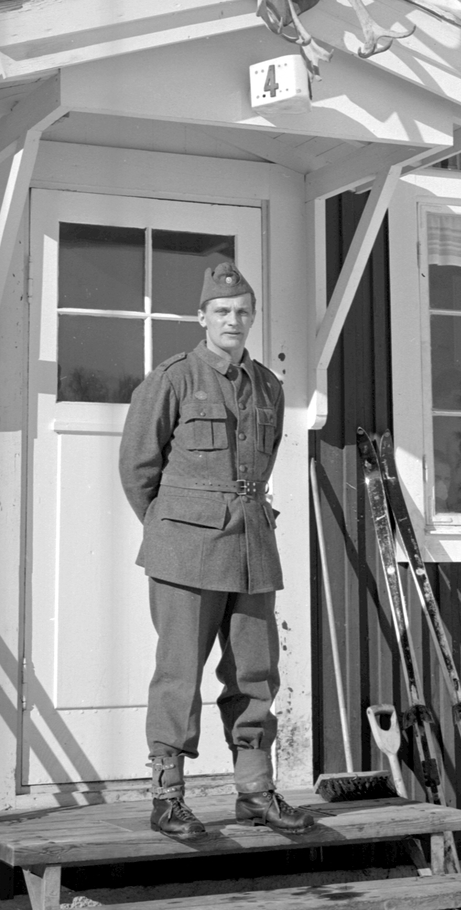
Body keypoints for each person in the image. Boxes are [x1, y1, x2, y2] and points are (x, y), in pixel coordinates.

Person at [119, 261, 314, 840]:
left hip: (252, 546)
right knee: (179, 673)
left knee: (255, 672)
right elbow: (137, 468)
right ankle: (167, 798)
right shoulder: (173, 379)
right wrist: (172, 527)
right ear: (201, 317)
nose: (234, 320)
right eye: (222, 311)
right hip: (184, 550)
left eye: (243, 311)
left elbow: (262, 462)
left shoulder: (269, 387)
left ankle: (255, 792)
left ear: (253, 317)